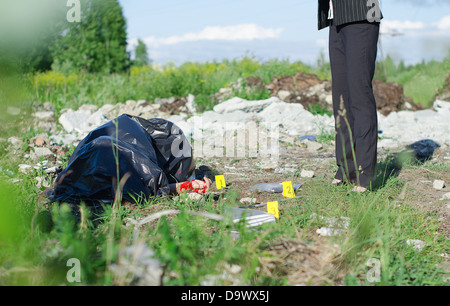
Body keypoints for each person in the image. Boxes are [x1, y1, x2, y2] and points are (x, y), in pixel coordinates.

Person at [47, 114, 212, 205]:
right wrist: (182, 185)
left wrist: (186, 184)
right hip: (114, 146)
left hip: (111, 145)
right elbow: (152, 184)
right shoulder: (132, 154)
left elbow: (152, 183)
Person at [318, 0, 382, 192]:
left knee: (360, 96)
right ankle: (346, 169)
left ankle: (365, 174)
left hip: (361, 14)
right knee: (342, 100)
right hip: (336, 18)